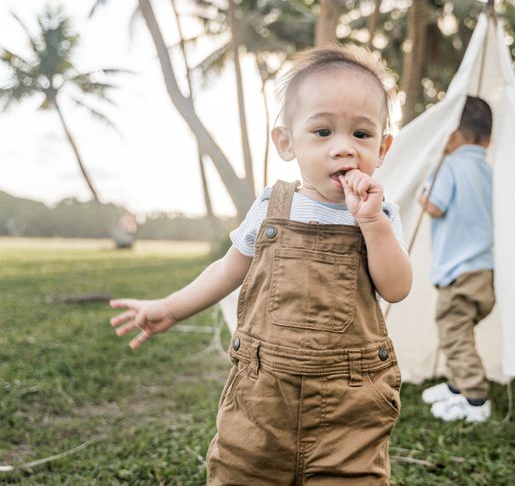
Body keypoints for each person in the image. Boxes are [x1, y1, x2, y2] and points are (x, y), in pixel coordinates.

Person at [109, 46, 413, 484]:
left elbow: (397, 286)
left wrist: (372, 225)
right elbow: (228, 269)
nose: (343, 148)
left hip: (350, 403)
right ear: (287, 142)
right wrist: (171, 308)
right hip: (261, 398)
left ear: (382, 148)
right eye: (323, 131)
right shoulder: (272, 205)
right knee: (240, 472)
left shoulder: (379, 215)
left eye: (361, 135)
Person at [419, 95, 494, 423]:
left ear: (451, 135)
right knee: (459, 331)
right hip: (484, 270)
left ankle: (475, 399)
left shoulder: (448, 166)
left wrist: (424, 191)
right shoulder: (488, 171)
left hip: (458, 271)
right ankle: (455, 387)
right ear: (487, 140)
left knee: (453, 332)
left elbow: (435, 205)